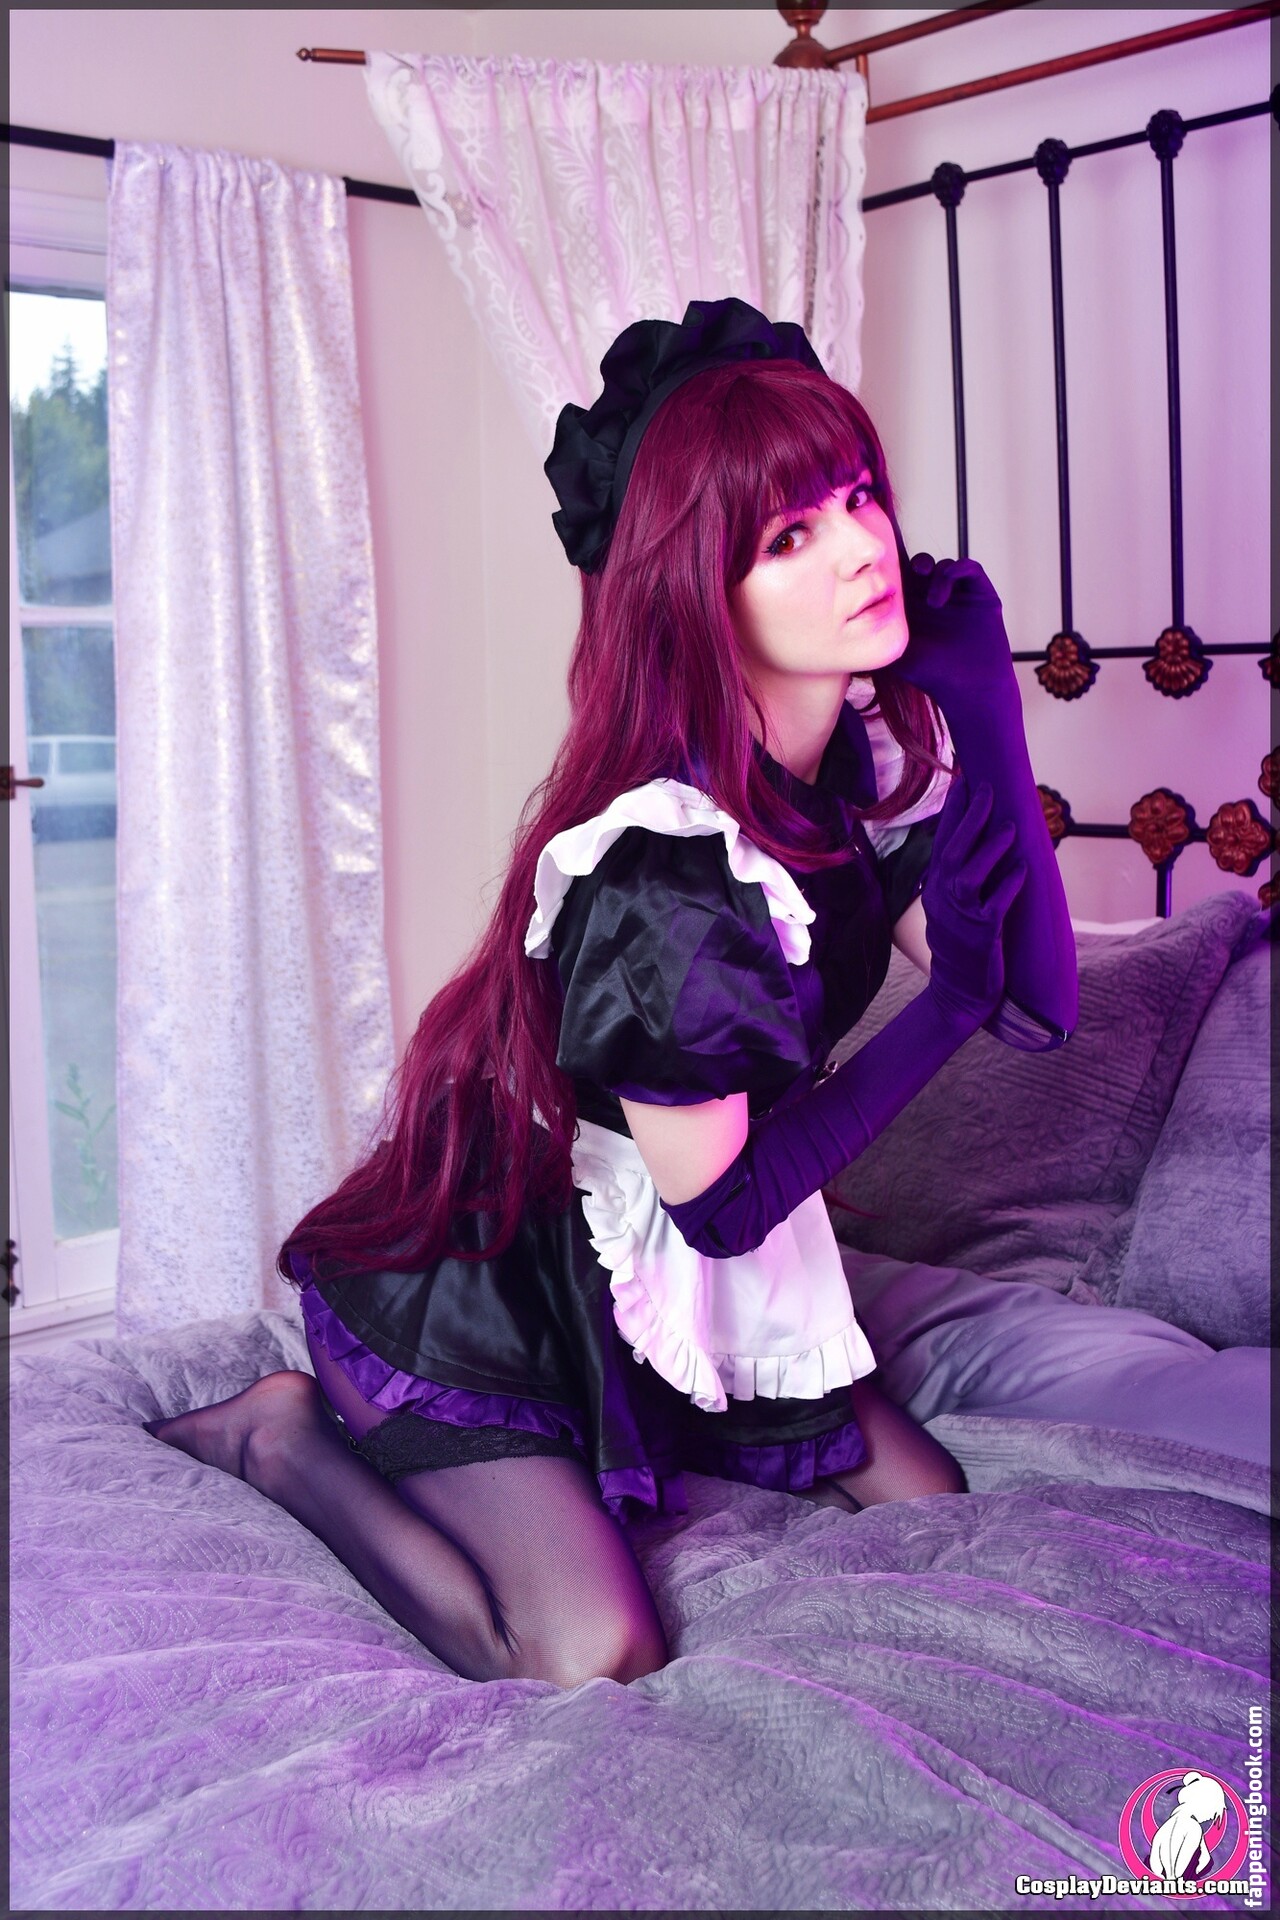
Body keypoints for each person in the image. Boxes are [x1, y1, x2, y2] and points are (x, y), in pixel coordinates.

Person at [146, 297, 1077, 1690]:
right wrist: (939, 1010)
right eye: (788, 536)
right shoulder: (666, 871)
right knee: (594, 1649)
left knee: (929, 1501)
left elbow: (1037, 1004)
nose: (863, 547)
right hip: (496, 1273)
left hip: (667, 1266)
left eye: (858, 496)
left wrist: (989, 708)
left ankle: (640, 1407)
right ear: (699, 591)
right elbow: (725, 1203)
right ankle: (279, 1434)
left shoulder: (849, 776)